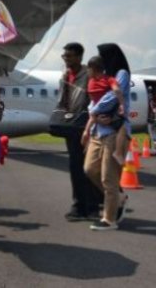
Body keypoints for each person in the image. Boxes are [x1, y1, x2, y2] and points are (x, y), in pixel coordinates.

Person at [55, 43, 102, 222]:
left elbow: (95, 99)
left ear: (79, 57)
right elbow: (62, 101)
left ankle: (92, 207)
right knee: (75, 167)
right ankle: (78, 205)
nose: (66, 59)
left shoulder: (88, 76)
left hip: (87, 127)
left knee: (88, 167)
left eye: (69, 56)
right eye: (64, 56)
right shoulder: (65, 77)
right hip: (71, 127)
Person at [81, 60, 124, 231]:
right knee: (90, 169)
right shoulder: (92, 83)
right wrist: (90, 125)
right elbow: (92, 108)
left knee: (109, 177)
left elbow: (115, 94)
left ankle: (109, 219)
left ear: (94, 69)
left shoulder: (110, 82)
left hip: (111, 134)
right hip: (97, 133)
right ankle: (116, 196)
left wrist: (120, 105)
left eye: (88, 69)